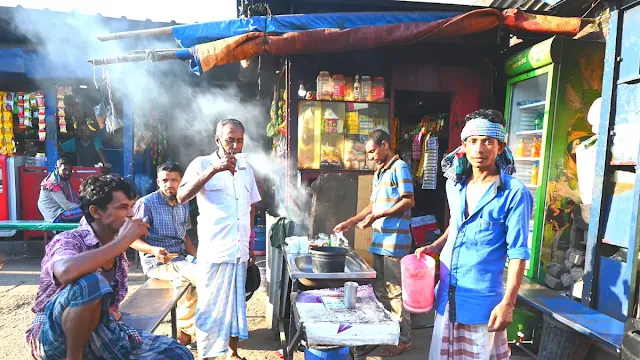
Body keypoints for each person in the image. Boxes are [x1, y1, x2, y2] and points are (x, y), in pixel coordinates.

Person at [25, 174, 193, 360]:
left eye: (131, 205)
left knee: (179, 353)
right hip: (54, 337)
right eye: (123, 207)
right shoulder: (69, 240)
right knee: (91, 283)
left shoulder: (116, 250)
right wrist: (121, 242)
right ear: (96, 211)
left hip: (101, 330)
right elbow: (65, 272)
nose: (131, 214)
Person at [415, 109, 533, 359]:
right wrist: (435, 247)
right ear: (464, 145)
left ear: (500, 147)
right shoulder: (454, 184)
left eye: (488, 141)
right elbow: (458, 224)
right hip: (447, 295)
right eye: (474, 141)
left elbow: (519, 253)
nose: (480, 148)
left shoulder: (514, 193)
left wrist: (508, 304)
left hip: (482, 303)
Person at [177, 118, 261, 360]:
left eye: (239, 141)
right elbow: (182, 196)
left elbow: (251, 206)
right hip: (215, 250)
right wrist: (214, 169)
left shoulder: (247, 168)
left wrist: (250, 241)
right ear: (217, 140)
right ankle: (207, 356)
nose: (234, 145)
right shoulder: (201, 164)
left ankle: (233, 353)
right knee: (210, 308)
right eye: (229, 140)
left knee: (237, 305)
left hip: (239, 251)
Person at [334, 129, 415, 357]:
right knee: (380, 290)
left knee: (395, 291)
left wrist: (378, 217)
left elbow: (409, 200)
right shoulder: (380, 172)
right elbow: (372, 205)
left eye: (372, 152)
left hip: (395, 241)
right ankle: (388, 334)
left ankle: (403, 339)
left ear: (385, 145)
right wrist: (350, 221)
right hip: (379, 241)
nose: (370, 157)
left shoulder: (400, 168)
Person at [131, 162, 198, 347]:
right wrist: (153, 250)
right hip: (158, 264)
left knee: (201, 279)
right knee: (204, 278)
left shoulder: (183, 202)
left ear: (182, 181)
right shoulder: (146, 204)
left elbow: (184, 235)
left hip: (181, 260)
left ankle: (184, 334)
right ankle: (197, 333)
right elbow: (131, 240)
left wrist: (198, 259)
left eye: (174, 180)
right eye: (165, 180)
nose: (169, 184)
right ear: (158, 182)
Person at [37, 158, 82, 223]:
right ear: (57, 169)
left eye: (70, 170)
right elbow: (66, 205)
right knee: (88, 212)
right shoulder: (53, 182)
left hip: (62, 211)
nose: (67, 172)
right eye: (64, 169)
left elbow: (73, 198)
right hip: (55, 215)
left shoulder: (64, 178)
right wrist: (83, 207)